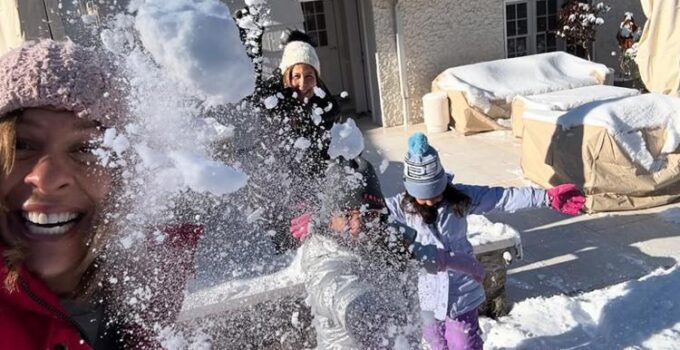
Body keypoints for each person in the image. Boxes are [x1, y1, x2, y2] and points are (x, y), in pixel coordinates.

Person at [0, 40, 201, 349]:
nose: (48, 179)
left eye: (86, 148)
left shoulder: (142, 293)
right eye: (22, 145)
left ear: (124, 176)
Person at [383, 132, 585, 350]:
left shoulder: (461, 198)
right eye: (423, 195)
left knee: (464, 344)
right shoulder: (401, 208)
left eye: (435, 191)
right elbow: (370, 214)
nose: (430, 200)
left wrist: (545, 197)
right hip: (426, 292)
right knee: (436, 342)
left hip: (461, 289)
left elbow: (501, 197)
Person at [291, 156, 501, 349]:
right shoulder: (326, 260)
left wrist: (449, 260)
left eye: (368, 214)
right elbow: (340, 292)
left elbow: (409, 250)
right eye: (346, 215)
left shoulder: (381, 236)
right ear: (329, 219)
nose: (358, 225)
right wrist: (370, 318)